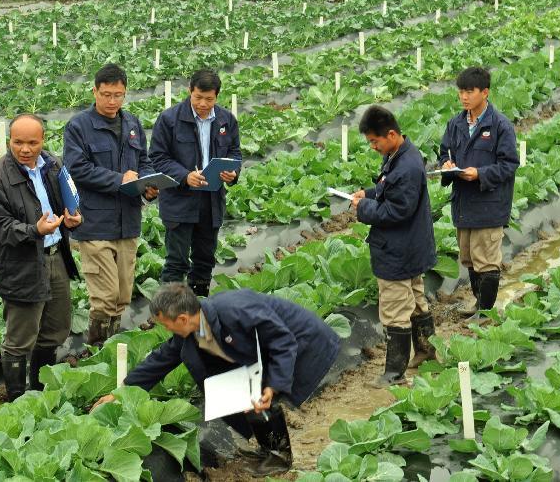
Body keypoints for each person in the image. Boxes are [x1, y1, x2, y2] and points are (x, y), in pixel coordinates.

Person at [92, 284, 339, 477]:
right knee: (247, 396)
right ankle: (269, 451)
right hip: (259, 355)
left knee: (263, 398)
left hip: (301, 343)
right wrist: (121, 391)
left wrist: (273, 386)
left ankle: (281, 459)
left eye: (167, 325)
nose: (167, 330)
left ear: (181, 319)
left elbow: (282, 342)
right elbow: (162, 359)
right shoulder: (190, 328)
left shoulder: (236, 310)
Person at [0, 114, 82, 401]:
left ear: (43, 140)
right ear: (9, 140)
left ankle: (39, 392)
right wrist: (33, 230)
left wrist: (72, 219)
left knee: (55, 329)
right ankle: (15, 399)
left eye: (32, 143)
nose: (25, 149)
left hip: (55, 256)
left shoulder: (53, 165)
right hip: (21, 265)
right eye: (18, 142)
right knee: (20, 339)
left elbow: (68, 201)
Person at [64, 63, 157, 346]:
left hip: (127, 222)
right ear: (94, 91)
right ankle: (97, 350)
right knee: (104, 298)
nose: (112, 101)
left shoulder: (132, 124)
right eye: (106, 94)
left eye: (118, 95)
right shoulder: (79, 126)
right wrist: (120, 179)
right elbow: (76, 168)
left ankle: (110, 348)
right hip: (95, 224)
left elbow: (144, 162)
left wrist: (150, 185)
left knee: (122, 296)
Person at [350, 106, 437, 387]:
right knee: (415, 299)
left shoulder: (407, 166)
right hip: (410, 246)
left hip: (398, 251)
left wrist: (364, 208)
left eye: (375, 142)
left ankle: (394, 373)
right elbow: (392, 190)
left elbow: (396, 212)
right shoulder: (401, 155)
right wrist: (371, 193)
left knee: (395, 309)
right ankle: (426, 351)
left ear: (391, 134)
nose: (374, 147)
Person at [149, 69, 241, 297]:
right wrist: (184, 175)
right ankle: (169, 314)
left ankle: (199, 306)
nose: (203, 103)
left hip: (211, 202)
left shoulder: (226, 120)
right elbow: (158, 157)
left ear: (217, 97)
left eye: (209, 99)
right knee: (177, 261)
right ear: (190, 91)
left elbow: (235, 152)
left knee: (205, 259)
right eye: (198, 97)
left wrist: (233, 171)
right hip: (180, 202)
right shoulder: (169, 119)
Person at [439, 67, 519, 318]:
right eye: (461, 91)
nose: (464, 97)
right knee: (469, 258)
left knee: (486, 260)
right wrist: (446, 165)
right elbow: (444, 152)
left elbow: (509, 164)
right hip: (464, 202)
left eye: (469, 91)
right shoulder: (455, 124)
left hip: (489, 203)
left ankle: (485, 311)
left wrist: (480, 174)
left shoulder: (500, 126)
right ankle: (478, 304)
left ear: (485, 93)